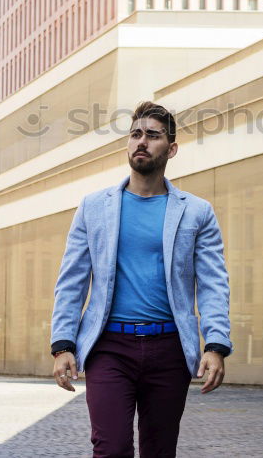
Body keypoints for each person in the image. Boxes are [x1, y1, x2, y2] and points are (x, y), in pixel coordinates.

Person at [50, 101, 232, 457]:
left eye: (153, 135)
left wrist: (215, 344)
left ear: (172, 148)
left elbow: (213, 283)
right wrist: (63, 344)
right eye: (135, 134)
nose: (142, 142)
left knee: (159, 450)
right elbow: (72, 279)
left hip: (169, 350)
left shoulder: (196, 212)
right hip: (109, 348)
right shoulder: (93, 207)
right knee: (112, 448)